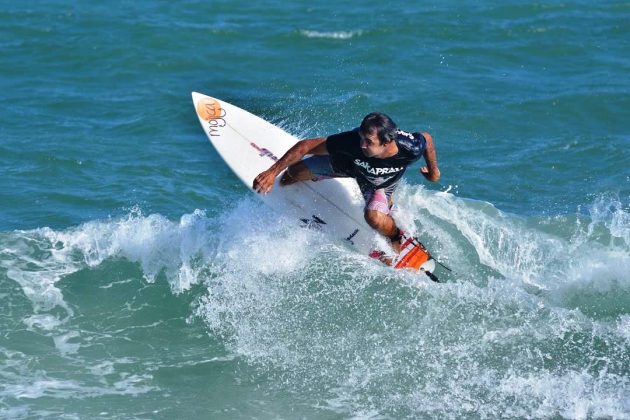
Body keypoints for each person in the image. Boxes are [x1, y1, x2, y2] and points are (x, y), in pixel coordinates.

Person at [252, 112, 440, 256]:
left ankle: (395, 235)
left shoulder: (410, 148)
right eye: (361, 138)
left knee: (374, 218)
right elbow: (306, 145)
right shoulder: (352, 143)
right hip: (347, 165)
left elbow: (427, 139)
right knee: (292, 174)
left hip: (380, 184)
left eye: (369, 141)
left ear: (387, 142)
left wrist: (434, 172)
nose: (362, 145)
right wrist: (272, 172)